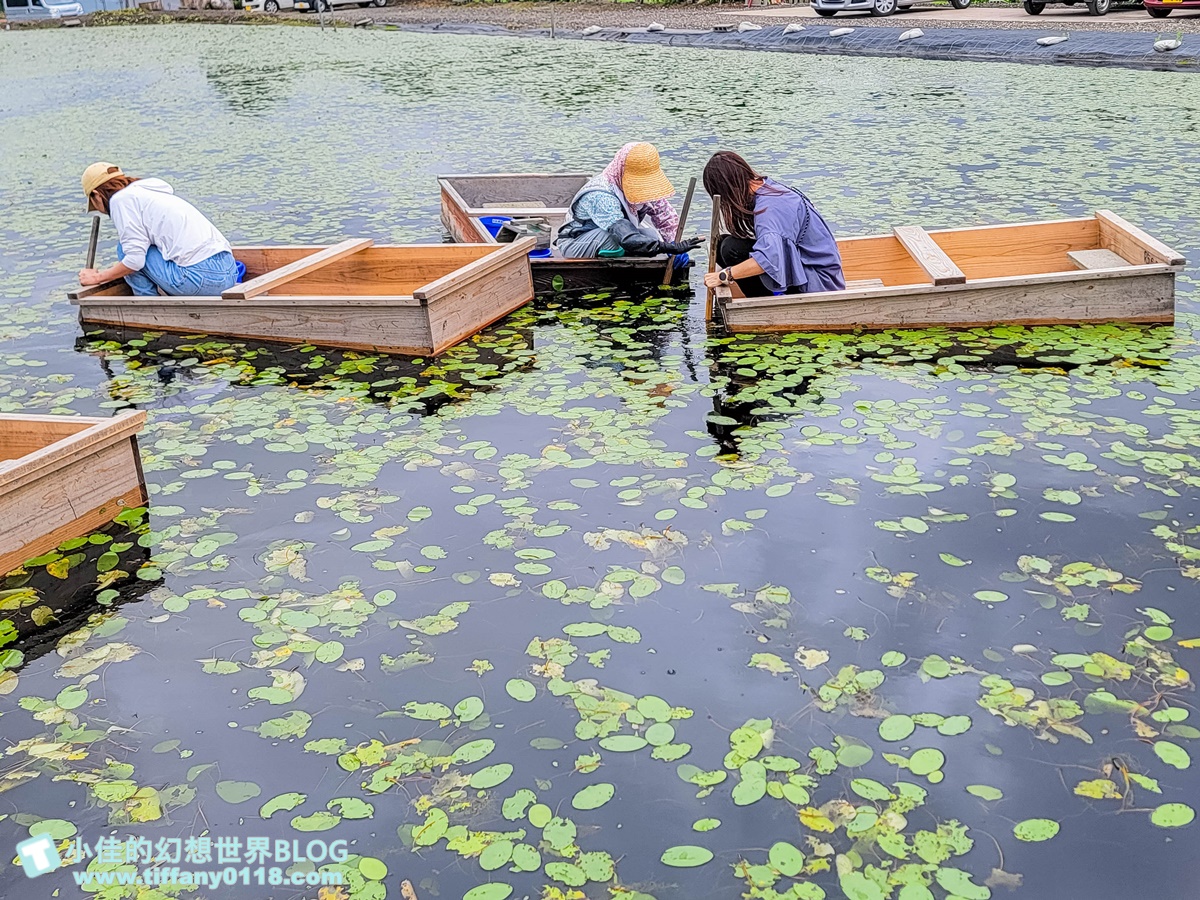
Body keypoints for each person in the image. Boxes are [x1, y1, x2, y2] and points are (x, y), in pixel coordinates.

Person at [77, 163, 239, 297]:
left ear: (97, 195)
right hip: (230, 274)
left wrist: (97, 277)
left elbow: (135, 260)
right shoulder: (149, 193)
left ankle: (149, 306)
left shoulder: (121, 200)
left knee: (124, 250)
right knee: (140, 248)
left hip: (203, 281)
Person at [701, 151, 844, 298]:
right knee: (721, 244)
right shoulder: (766, 187)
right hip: (806, 267)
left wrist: (724, 275)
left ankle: (766, 305)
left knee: (731, 249)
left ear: (729, 189)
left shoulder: (769, 210)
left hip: (819, 283)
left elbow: (769, 260)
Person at [555, 142, 703, 259]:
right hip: (576, 242)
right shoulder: (600, 195)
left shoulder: (647, 187)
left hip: (618, 236)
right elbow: (626, 236)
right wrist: (667, 248)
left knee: (651, 236)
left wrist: (674, 244)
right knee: (613, 240)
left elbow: (665, 216)